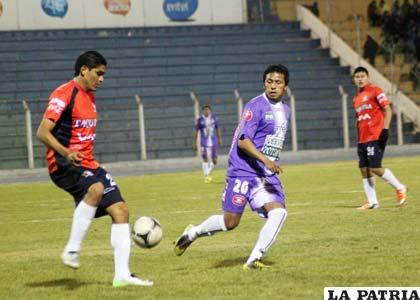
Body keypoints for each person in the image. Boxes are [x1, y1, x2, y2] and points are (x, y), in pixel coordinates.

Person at [36, 51, 153, 287]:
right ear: (83, 70)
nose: (102, 79)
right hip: (64, 162)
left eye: (104, 75)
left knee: (120, 210)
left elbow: (84, 138)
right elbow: (42, 132)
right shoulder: (64, 93)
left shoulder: (90, 97)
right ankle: (72, 249)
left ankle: (122, 275)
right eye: (99, 74)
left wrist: (94, 163)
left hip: (87, 163)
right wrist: (66, 152)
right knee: (96, 189)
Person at [175, 64, 290, 269]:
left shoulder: (285, 110)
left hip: (264, 175)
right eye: (269, 82)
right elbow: (243, 142)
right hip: (243, 171)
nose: (273, 86)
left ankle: (254, 258)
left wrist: (268, 161)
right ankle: (193, 232)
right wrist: (267, 160)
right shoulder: (256, 106)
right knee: (230, 223)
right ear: (264, 83)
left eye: (278, 82)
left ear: (285, 87)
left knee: (278, 212)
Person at [352, 66, 407, 210]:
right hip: (362, 139)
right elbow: (360, 119)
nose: (360, 79)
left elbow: (387, 109)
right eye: (357, 77)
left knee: (375, 167)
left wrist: (385, 129)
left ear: (368, 77)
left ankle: (400, 187)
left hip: (375, 136)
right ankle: (372, 202)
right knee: (364, 169)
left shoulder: (376, 91)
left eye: (362, 76)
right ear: (354, 79)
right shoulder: (356, 98)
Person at [193, 105, 222, 183]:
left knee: (215, 160)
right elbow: (196, 131)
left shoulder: (214, 118)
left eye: (208, 110)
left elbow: (218, 128)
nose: (206, 111)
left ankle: (208, 172)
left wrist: (220, 139)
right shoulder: (200, 120)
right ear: (203, 111)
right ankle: (206, 176)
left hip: (214, 141)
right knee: (205, 158)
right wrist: (194, 143)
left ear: (210, 111)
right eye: (205, 110)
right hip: (204, 142)